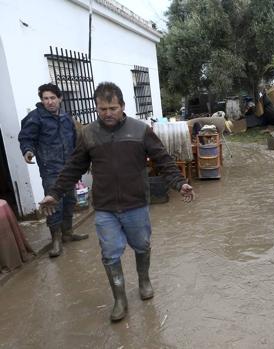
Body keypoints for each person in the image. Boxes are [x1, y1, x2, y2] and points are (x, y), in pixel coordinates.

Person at [39, 82, 195, 322]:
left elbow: (162, 159)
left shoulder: (140, 130)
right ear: (96, 108)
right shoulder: (89, 134)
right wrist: (55, 193)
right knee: (110, 254)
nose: (108, 113)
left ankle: (144, 281)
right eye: (102, 109)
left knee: (142, 246)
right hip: (105, 208)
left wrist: (179, 182)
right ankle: (120, 299)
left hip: (136, 204)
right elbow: (73, 167)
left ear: (122, 106)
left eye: (113, 107)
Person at [18, 83, 88, 258]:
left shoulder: (66, 118)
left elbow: (75, 140)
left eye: (52, 98)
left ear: (60, 98)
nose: (49, 102)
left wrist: (79, 161)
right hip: (50, 168)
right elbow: (27, 137)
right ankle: (55, 239)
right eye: (45, 99)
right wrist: (28, 151)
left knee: (70, 200)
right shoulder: (35, 118)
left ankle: (68, 233)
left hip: (69, 168)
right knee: (54, 204)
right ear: (42, 100)